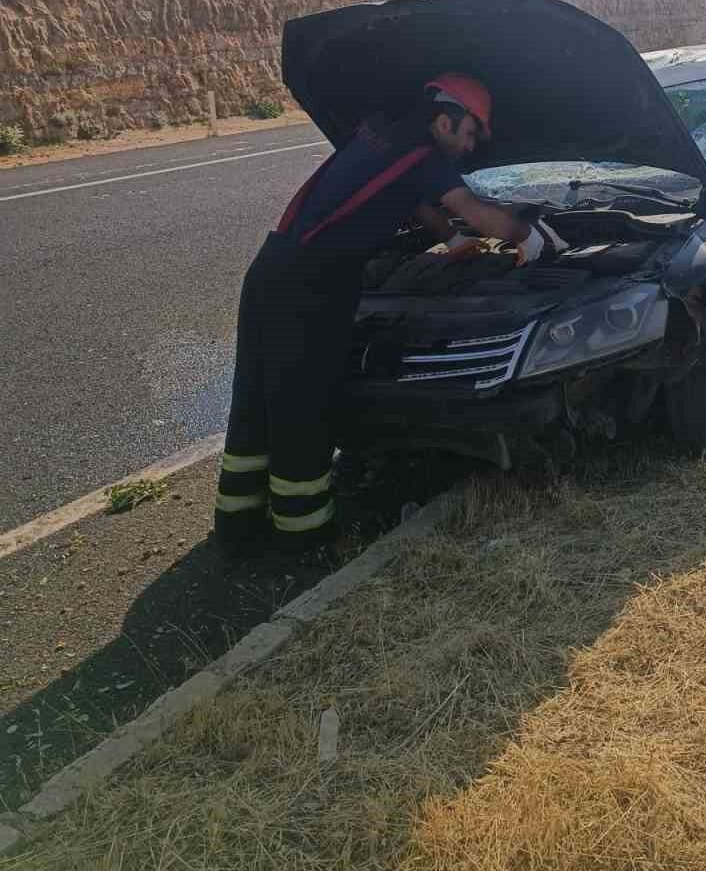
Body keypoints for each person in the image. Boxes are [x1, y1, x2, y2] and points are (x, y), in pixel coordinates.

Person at [213, 74, 548, 555]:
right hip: (310, 286)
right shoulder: (424, 154)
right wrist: (529, 237)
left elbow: (410, 197)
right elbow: (473, 209)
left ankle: (236, 526)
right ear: (445, 119)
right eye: (471, 134)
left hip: (270, 272)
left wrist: (449, 240)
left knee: (255, 401)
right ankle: (305, 537)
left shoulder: (382, 132)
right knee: (303, 408)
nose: (471, 147)